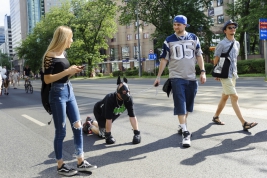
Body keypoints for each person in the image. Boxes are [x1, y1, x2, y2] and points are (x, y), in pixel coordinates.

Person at [42, 26, 97, 176]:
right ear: (64, 38)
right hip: (57, 93)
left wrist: (72, 72)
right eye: (71, 37)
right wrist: (68, 71)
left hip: (69, 90)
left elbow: (63, 75)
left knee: (78, 126)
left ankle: (80, 161)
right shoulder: (50, 55)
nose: (72, 40)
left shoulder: (63, 54)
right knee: (61, 131)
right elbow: (47, 79)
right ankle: (60, 166)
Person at [153, 15, 206, 148]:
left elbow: (199, 55)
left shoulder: (194, 38)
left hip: (191, 77)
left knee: (188, 105)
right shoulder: (169, 40)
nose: (176, 27)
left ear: (185, 25)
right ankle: (185, 133)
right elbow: (164, 59)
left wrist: (203, 71)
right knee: (180, 104)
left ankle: (182, 126)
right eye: (174, 24)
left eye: (178, 24)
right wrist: (158, 76)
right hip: (176, 77)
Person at [211, 20, 258, 130]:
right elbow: (216, 59)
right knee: (234, 96)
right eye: (230, 27)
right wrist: (218, 73)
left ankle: (216, 117)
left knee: (225, 97)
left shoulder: (237, 43)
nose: (232, 29)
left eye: (234, 27)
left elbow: (234, 59)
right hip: (225, 74)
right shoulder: (221, 44)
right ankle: (244, 123)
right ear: (225, 31)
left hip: (233, 74)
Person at [83, 76, 141, 145]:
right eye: (123, 94)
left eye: (127, 92)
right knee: (102, 134)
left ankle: (91, 121)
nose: (125, 97)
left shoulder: (128, 99)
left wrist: (137, 133)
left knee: (104, 126)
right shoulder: (110, 98)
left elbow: (132, 116)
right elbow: (108, 119)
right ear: (118, 93)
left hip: (113, 113)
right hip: (100, 111)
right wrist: (108, 135)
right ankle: (89, 126)